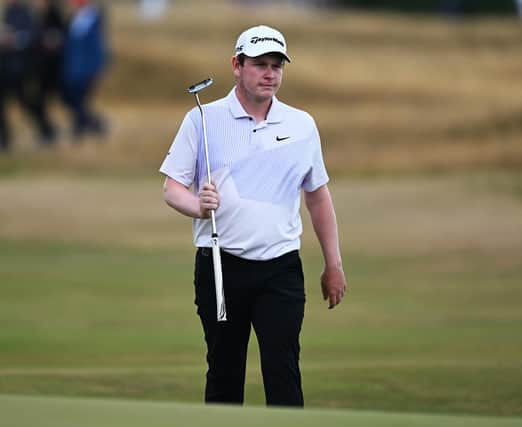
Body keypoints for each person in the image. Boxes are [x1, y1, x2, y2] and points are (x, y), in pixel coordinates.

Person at [160, 25, 347, 407]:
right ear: (236, 65)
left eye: (276, 66)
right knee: (225, 371)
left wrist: (334, 263)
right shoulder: (203, 120)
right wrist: (198, 206)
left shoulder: (301, 125)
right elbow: (172, 188)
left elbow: (317, 196)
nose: (270, 73)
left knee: (283, 370)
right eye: (260, 64)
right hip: (220, 265)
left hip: (281, 267)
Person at [0, 0, 56, 152]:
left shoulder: (25, 13)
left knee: (26, 103)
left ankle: (47, 130)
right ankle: (5, 139)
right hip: (5, 68)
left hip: (20, 69)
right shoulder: (8, 12)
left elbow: (34, 37)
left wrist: (13, 40)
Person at [61, 0, 108, 139]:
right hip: (73, 68)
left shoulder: (93, 19)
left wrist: (98, 68)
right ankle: (91, 125)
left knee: (80, 101)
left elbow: (97, 46)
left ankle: (82, 128)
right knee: (74, 101)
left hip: (87, 69)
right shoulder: (74, 18)